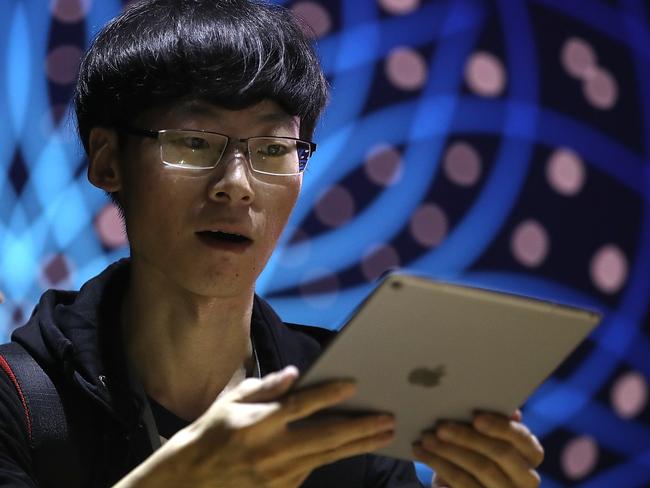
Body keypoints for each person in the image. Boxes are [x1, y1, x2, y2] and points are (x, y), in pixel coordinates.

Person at [0, 0, 544, 486]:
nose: (236, 183)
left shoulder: (344, 400)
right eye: (194, 141)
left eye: (271, 149)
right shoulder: (19, 398)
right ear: (108, 161)